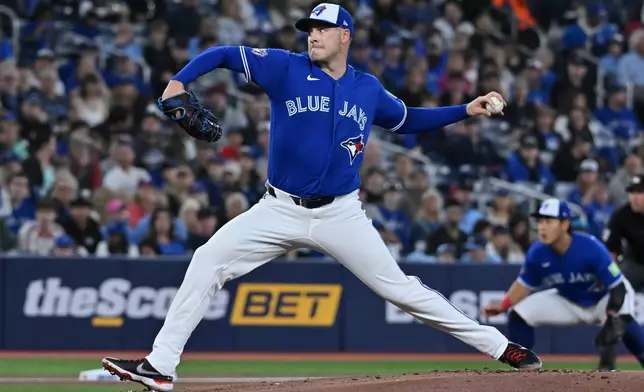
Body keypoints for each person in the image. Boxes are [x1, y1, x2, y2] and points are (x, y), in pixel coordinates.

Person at [102, 4, 541, 391]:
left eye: (322, 28)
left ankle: (502, 347)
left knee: (403, 292)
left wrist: (465, 109)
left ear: (344, 35)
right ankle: (160, 366)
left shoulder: (366, 88)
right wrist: (179, 81)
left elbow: (407, 119)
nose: (312, 35)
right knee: (207, 261)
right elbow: (223, 54)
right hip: (277, 208)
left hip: (341, 214)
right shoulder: (285, 67)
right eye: (309, 28)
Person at [483, 198, 644, 371]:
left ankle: (609, 368)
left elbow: (618, 286)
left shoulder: (590, 247)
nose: (542, 227)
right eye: (540, 221)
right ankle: (522, 369)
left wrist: (611, 317)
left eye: (548, 221)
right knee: (519, 314)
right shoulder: (537, 253)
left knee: (622, 321)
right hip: (569, 300)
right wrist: (503, 306)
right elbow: (524, 284)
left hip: (604, 298)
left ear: (564, 224)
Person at [602, 174, 644, 290]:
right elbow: (609, 251)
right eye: (632, 193)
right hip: (635, 263)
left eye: (639, 192)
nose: (634, 197)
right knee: (619, 284)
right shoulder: (621, 215)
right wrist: (614, 274)